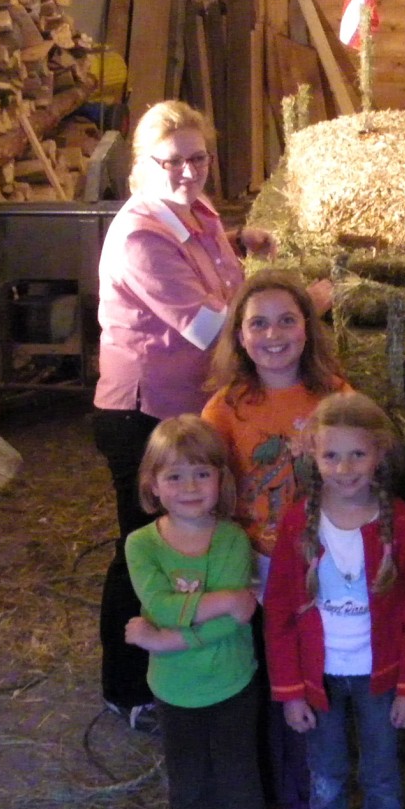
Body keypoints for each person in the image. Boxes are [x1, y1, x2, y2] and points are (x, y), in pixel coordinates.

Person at [92, 99, 274, 729]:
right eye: (171, 162)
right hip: (142, 416)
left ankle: (203, 653)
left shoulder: (195, 213)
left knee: (191, 536)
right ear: (142, 165)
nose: (188, 173)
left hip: (193, 405)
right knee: (139, 547)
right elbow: (205, 325)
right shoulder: (141, 234)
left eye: (197, 158)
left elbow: (214, 267)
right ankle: (126, 685)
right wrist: (293, 305)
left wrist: (235, 241)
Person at [263, 391, 405, 809]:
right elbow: (280, 612)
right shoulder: (299, 522)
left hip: (379, 677)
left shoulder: (399, 522)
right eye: (331, 455)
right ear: (313, 457)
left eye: (357, 455)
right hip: (320, 679)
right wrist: (291, 691)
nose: (344, 468)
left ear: (379, 454)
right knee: (328, 774)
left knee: (382, 775)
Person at [202, 268, 348, 809]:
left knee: (315, 682)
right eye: (257, 322)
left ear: (308, 329)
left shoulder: (334, 396)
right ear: (239, 335)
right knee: (267, 688)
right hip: (255, 569)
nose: (273, 334)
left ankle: (316, 795)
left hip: (317, 566)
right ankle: (278, 803)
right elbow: (212, 495)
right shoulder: (226, 408)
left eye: (287, 319)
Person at [122, 415, 271, 809]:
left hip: (231, 682)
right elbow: (161, 603)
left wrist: (163, 642)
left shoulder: (230, 539)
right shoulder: (141, 544)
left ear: (221, 481)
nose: (190, 487)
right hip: (174, 690)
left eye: (202, 474)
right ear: (153, 485)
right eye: (174, 476)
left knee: (236, 771)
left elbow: (238, 620)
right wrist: (224, 599)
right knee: (185, 775)